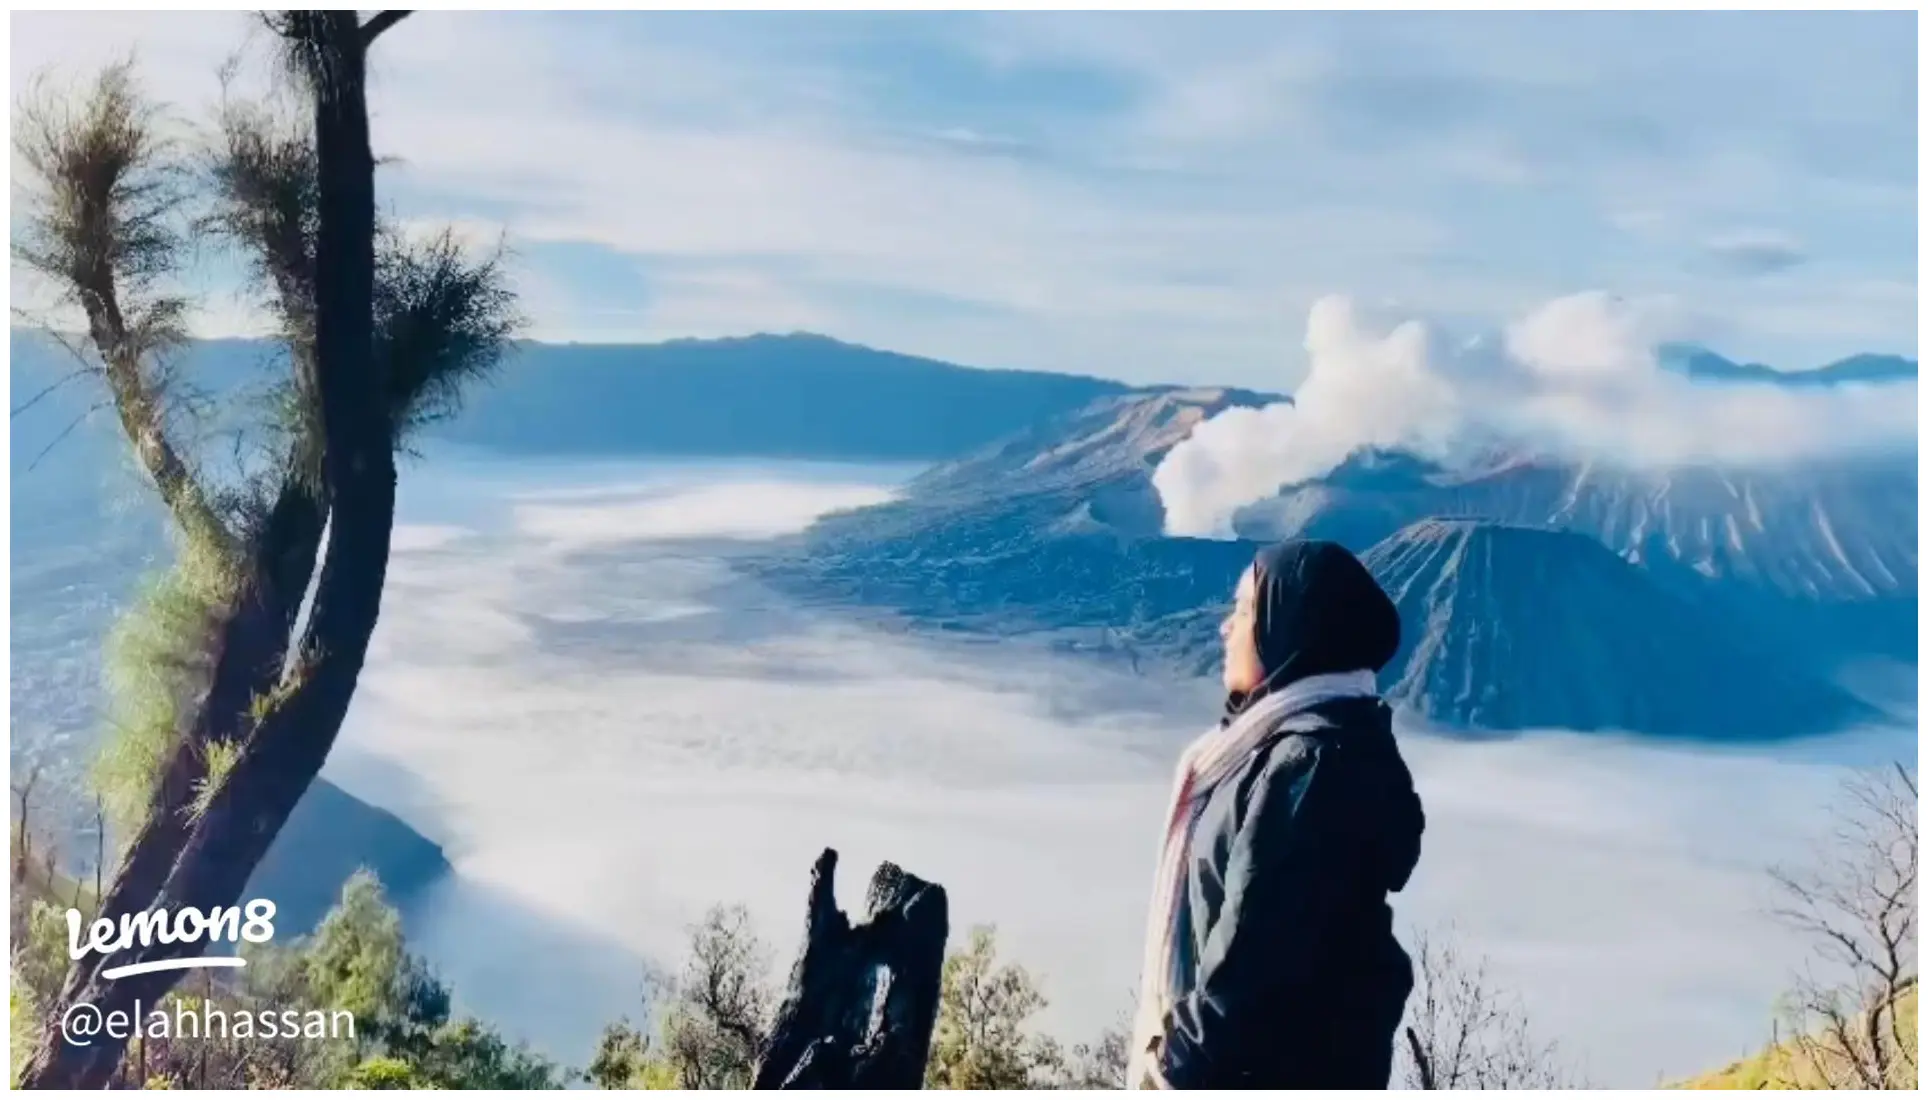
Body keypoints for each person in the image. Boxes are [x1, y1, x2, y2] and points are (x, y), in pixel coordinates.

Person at [1126, 539, 1425, 1089]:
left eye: (1243, 611)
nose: (1225, 628)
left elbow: (1253, 961)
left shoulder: (1310, 769)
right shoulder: (1278, 751)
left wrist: (1170, 1068)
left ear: (1285, 628)